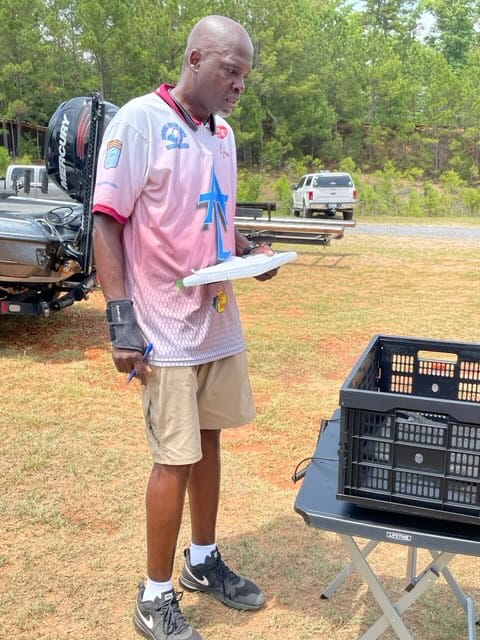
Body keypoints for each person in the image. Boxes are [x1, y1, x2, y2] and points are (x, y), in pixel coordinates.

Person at [92, 15, 278, 640]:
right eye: (232, 71)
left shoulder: (221, 135)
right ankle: (154, 596)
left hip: (217, 320)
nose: (239, 86)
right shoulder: (140, 121)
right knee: (174, 458)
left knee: (209, 443)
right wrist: (121, 321)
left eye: (246, 76)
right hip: (164, 326)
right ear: (196, 59)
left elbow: (211, 220)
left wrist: (249, 249)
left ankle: (202, 562)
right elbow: (108, 221)